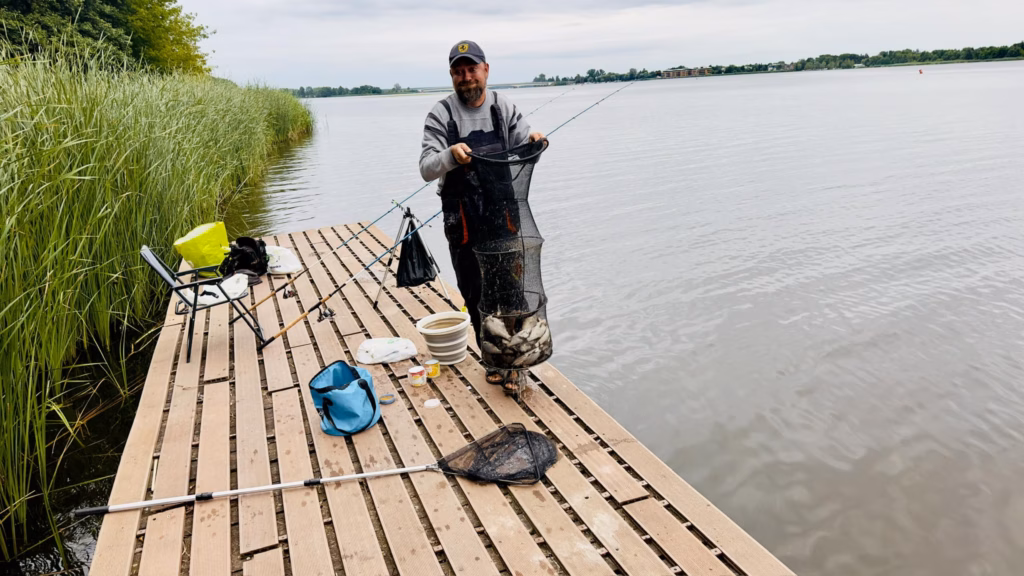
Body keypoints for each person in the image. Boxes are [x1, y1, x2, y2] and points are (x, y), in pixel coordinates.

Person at [419, 40, 544, 389]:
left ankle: (515, 362)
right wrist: (450, 155)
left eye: (472, 69)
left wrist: (535, 138)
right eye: (459, 71)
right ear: (452, 75)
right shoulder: (440, 114)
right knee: (475, 292)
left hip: (503, 215)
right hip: (461, 218)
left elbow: (525, 141)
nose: (466, 77)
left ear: (485, 70)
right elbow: (426, 168)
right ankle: (492, 357)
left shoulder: (502, 107)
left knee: (512, 290)